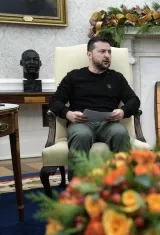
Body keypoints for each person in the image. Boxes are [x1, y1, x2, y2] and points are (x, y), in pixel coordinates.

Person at [49, 36, 140, 179]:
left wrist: (123, 111)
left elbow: (134, 100)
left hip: (109, 123)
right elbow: (55, 101)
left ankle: (124, 184)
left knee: (120, 134)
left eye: (109, 52)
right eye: (102, 52)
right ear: (89, 54)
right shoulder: (74, 76)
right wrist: (68, 114)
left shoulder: (117, 78)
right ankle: (78, 188)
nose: (107, 56)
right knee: (81, 135)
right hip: (81, 123)